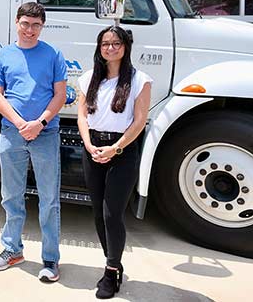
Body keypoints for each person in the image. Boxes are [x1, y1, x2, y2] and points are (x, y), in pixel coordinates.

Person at [0, 2, 67, 282]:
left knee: (49, 199)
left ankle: (50, 259)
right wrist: (21, 124)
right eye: (25, 23)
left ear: (42, 26)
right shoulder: (4, 55)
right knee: (11, 196)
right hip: (12, 133)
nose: (30, 30)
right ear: (17, 23)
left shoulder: (53, 54)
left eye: (36, 25)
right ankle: (12, 250)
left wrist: (40, 123)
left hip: (45, 134)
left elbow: (60, 95)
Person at [77, 26, 152, 299]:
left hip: (123, 151)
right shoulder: (88, 79)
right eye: (105, 43)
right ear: (99, 48)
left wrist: (116, 148)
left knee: (112, 214)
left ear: (125, 47)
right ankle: (113, 262)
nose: (110, 48)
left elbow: (140, 120)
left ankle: (110, 272)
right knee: (98, 212)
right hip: (93, 148)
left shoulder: (139, 79)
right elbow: (82, 116)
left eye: (116, 43)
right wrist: (88, 144)